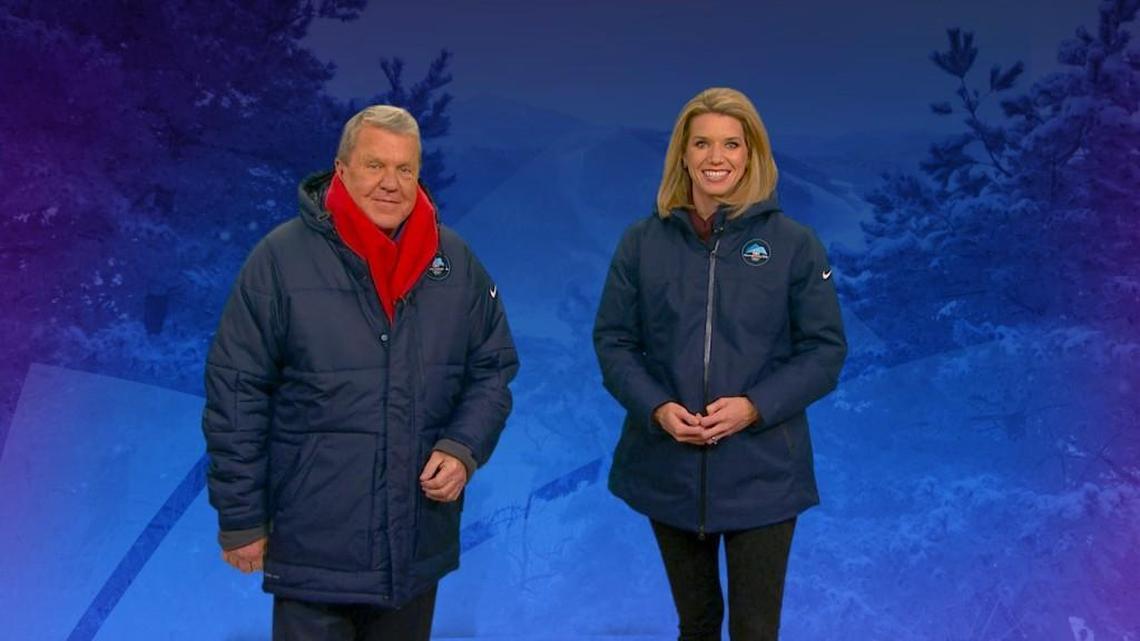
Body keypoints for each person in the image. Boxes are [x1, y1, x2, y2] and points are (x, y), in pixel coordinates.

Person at [202, 105, 518, 640]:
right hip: (313, 546)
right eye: (375, 166)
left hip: (414, 546)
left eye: (405, 169)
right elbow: (236, 391)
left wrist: (463, 446)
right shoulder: (280, 260)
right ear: (342, 169)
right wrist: (240, 518)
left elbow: (493, 367)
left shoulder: (455, 261)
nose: (390, 183)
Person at [593, 87, 846, 640]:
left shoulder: (794, 245)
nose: (716, 157)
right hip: (668, 470)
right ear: (682, 155)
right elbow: (613, 342)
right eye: (702, 143)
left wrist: (754, 407)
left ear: (751, 154)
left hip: (764, 474)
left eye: (731, 144)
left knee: (755, 630)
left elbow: (825, 350)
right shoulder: (642, 243)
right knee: (698, 624)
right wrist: (657, 408)